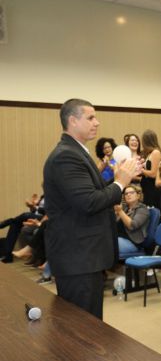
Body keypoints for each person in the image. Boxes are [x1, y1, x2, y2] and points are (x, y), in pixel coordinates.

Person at [43, 98, 139, 319]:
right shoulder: (66, 156)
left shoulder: (76, 151)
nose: (97, 122)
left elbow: (92, 192)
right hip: (78, 258)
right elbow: (89, 202)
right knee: (82, 326)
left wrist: (117, 178)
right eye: (91, 117)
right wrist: (120, 183)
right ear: (73, 121)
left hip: (84, 256)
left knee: (87, 323)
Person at [114, 184, 149, 254]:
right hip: (119, 238)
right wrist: (116, 213)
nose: (128, 195)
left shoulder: (143, 209)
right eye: (126, 193)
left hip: (132, 242)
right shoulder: (125, 209)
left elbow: (132, 226)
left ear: (138, 195)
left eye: (131, 193)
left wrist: (120, 211)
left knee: (108, 243)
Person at [140, 129, 161, 208]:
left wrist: (141, 170)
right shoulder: (150, 153)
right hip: (147, 188)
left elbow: (154, 173)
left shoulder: (156, 152)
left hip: (153, 189)